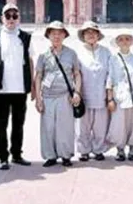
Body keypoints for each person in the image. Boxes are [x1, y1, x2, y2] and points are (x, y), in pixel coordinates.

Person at [0, 3, 36, 170]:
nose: (11, 19)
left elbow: (30, 61)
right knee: (0, 124)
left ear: (19, 18)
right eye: (7, 16)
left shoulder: (25, 37)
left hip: (20, 87)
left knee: (18, 123)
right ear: (2, 18)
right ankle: (2, 157)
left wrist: (33, 86)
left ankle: (16, 154)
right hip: (0, 88)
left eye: (14, 16)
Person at [34, 21, 82, 167]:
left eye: (59, 33)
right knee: (48, 127)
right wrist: (38, 98)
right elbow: (38, 76)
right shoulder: (43, 55)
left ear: (64, 35)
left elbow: (77, 74)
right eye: (53, 33)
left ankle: (65, 155)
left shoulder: (71, 53)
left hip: (65, 95)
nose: (56, 36)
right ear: (48, 35)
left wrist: (77, 93)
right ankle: (50, 156)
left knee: (65, 127)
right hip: (48, 96)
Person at [106, 30, 133, 161]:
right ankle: (120, 149)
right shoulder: (113, 60)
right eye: (121, 39)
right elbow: (110, 80)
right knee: (119, 124)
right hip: (119, 98)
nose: (124, 41)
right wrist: (110, 99)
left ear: (131, 42)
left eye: (127, 39)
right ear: (117, 42)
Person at [74, 21, 111, 162]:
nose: (90, 35)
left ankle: (98, 149)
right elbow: (74, 73)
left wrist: (109, 95)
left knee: (100, 125)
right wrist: (76, 92)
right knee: (83, 125)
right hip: (83, 95)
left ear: (98, 35)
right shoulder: (77, 52)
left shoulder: (106, 52)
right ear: (83, 35)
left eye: (93, 32)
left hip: (101, 94)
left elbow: (110, 74)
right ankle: (83, 150)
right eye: (87, 33)